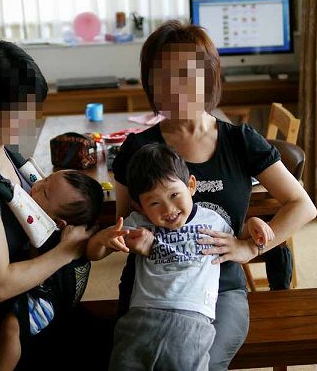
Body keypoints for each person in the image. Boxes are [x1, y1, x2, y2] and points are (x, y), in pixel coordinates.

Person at [108, 20, 317, 370]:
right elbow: (121, 223)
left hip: (221, 291)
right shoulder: (137, 148)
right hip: (150, 295)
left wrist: (250, 248)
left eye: (186, 74)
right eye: (163, 75)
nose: (175, 86)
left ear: (208, 76)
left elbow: (302, 205)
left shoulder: (240, 141)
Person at [0, 39, 100, 370]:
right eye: (18, 110)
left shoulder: (4, 150)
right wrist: (65, 252)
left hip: (30, 296)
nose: (29, 119)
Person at [87, 143, 272, 370]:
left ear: (191, 186)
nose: (168, 209)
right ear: (140, 206)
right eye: (154, 202)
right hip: (142, 317)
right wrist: (104, 239)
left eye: (174, 195)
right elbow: (93, 252)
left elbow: (239, 238)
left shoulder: (212, 219)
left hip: (193, 321)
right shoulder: (138, 223)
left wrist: (254, 223)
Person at [0, 169, 104, 371]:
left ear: (60, 223)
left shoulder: (52, 232)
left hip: (48, 298)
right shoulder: (49, 209)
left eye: (44, 193)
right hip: (53, 288)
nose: (37, 186)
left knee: (12, 327)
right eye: (45, 179)